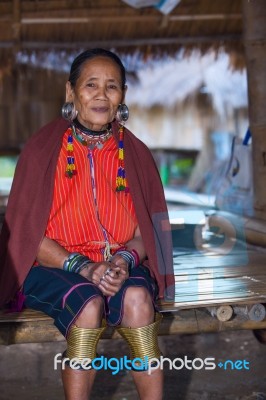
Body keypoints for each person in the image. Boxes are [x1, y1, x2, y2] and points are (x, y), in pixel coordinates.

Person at [0, 48, 174, 400]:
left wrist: (124, 261)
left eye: (111, 86)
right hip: (52, 263)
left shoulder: (135, 153)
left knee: (139, 299)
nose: (100, 94)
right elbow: (26, 232)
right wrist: (82, 266)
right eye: (90, 84)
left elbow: (148, 231)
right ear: (71, 93)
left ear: (122, 97)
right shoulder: (43, 149)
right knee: (87, 304)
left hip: (119, 263)